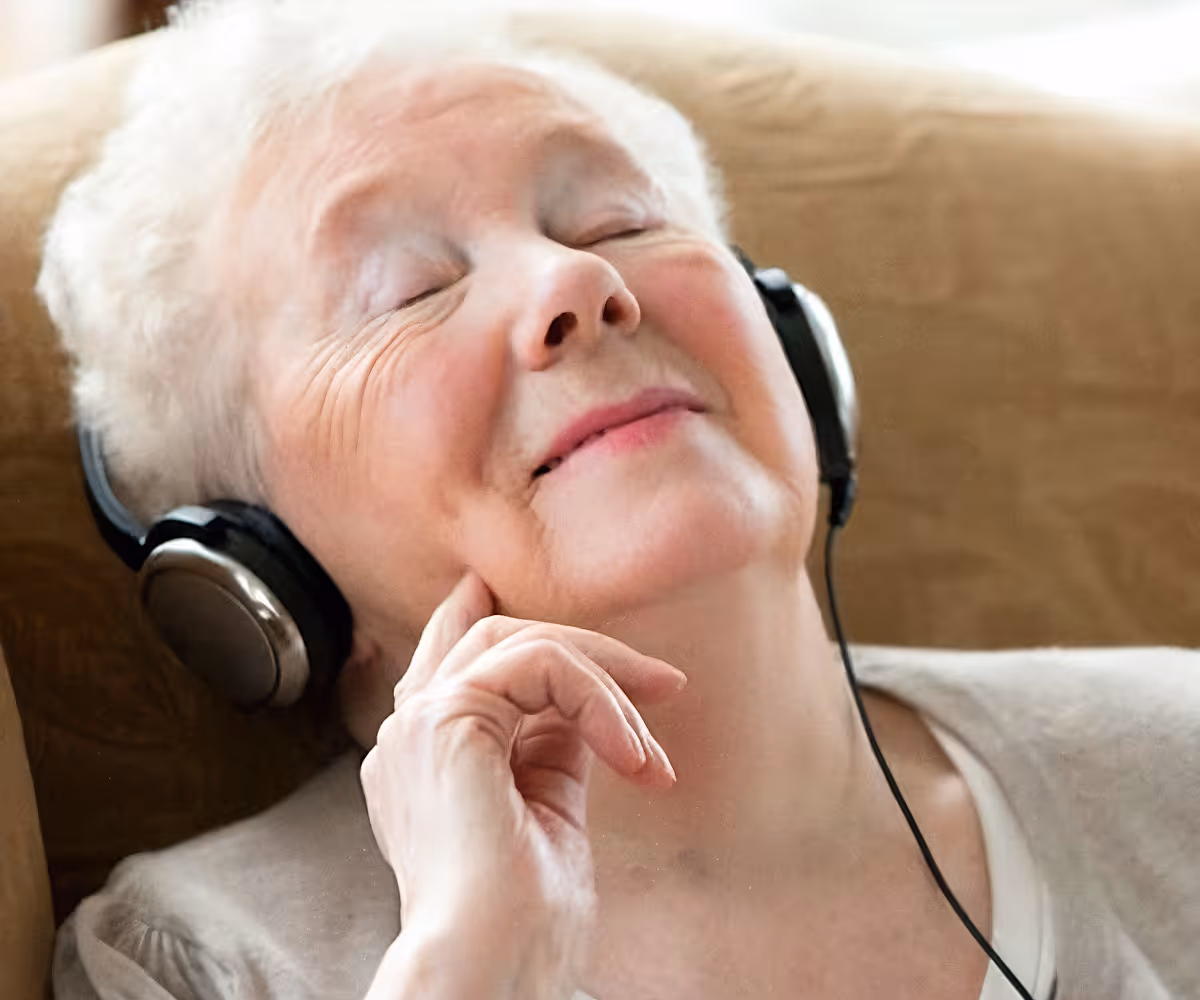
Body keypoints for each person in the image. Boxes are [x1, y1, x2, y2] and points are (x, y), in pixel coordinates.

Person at [37, 1, 1199, 998]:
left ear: (793, 353)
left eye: (618, 221)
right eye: (409, 291)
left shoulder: (1176, 751)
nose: (574, 281)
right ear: (260, 571)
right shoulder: (197, 963)